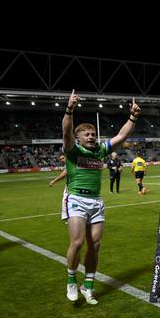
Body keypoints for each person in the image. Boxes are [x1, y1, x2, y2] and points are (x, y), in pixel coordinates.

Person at [62, 91, 140, 305]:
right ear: (78, 138)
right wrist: (70, 109)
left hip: (96, 202)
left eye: (93, 133)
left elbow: (122, 136)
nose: (91, 136)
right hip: (77, 198)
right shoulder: (72, 150)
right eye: (86, 134)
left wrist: (132, 117)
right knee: (77, 243)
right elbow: (66, 129)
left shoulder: (100, 151)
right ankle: (71, 280)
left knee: (95, 245)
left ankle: (87, 286)